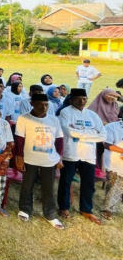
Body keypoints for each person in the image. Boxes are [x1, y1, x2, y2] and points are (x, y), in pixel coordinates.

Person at [16, 93, 65, 229]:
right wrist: (19, 157)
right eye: (39, 104)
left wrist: (60, 157)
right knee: (27, 185)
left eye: (46, 105)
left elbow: (59, 140)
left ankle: (49, 213)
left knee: (48, 188)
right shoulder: (24, 118)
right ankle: (25, 209)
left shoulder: (54, 120)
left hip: (50, 159)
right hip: (30, 158)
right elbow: (19, 140)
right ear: (32, 104)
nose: (43, 107)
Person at [57, 88, 106, 225]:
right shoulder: (65, 112)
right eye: (78, 98)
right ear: (71, 99)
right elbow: (68, 131)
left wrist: (80, 133)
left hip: (88, 155)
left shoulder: (92, 115)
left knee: (88, 184)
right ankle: (64, 207)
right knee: (66, 182)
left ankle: (86, 209)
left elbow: (103, 135)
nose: (82, 101)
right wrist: (91, 133)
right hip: (71, 153)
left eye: (84, 99)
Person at [102, 117, 123, 220]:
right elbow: (106, 144)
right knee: (113, 186)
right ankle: (107, 209)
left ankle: (110, 207)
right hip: (113, 162)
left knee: (118, 188)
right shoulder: (112, 127)